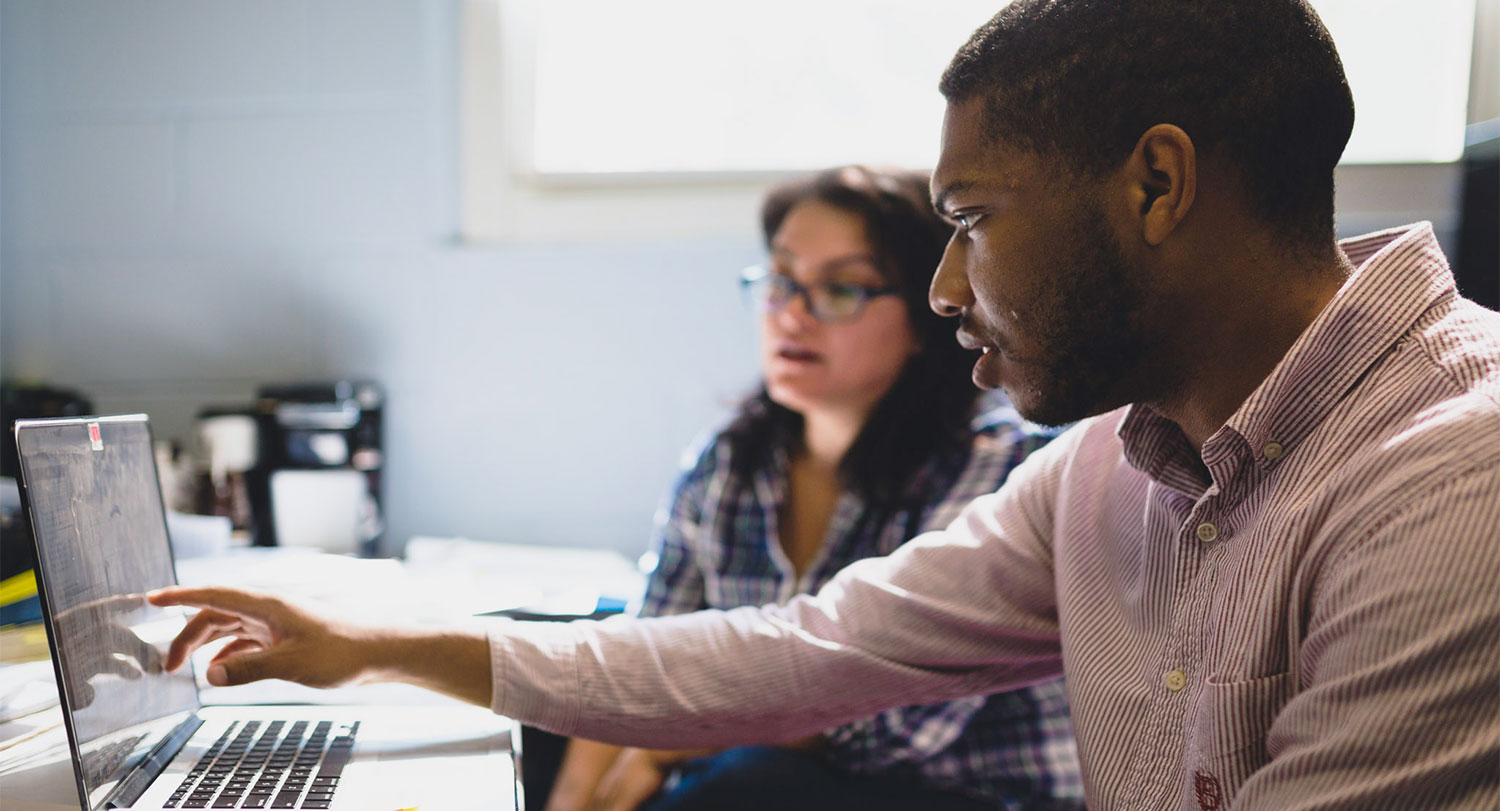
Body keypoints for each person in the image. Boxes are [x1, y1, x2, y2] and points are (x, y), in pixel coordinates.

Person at [150, 2, 1500, 808]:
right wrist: (377, 637)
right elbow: (794, 650)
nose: (947, 286)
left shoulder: (1454, 482)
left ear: (1156, 185)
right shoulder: (1108, 466)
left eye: (971, 218)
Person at [541, 166, 1081, 811]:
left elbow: (889, 719)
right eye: (780, 281)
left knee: (743, 787)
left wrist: (667, 746)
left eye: (841, 289)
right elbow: (641, 659)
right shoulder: (730, 464)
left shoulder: (999, 461)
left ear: (920, 314)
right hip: (764, 775)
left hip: (970, 795)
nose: (792, 314)